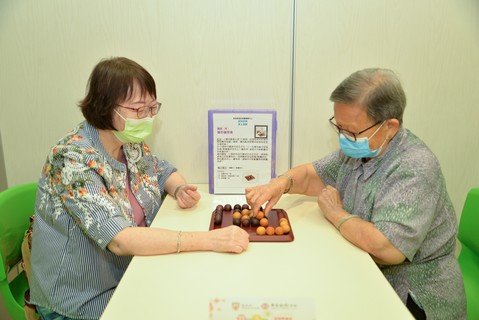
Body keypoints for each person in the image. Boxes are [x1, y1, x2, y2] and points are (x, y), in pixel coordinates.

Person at [29, 57, 249, 320]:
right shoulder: (71, 159)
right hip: (80, 298)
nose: (147, 118)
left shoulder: (127, 141)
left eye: (152, 108)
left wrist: (178, 188)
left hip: (131, 272)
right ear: (106, 107)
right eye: (138, 109)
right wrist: (210, 240)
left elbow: (159, 169)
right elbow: (121, 240)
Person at [245, 68, 466, 319]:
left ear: (390, 127)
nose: (343, 138)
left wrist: (336, 214)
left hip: (413, 297)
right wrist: (280, 183)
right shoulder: (362, 149)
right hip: (363, 270)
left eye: (350, 131)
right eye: (338, 127)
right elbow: (311, 176)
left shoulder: (415, 167)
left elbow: (388, 248)